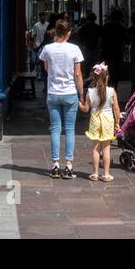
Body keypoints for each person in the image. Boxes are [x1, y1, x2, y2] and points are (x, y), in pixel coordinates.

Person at [39, 17, 84, 179]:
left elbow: (46, 68)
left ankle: (55, 164)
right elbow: (78, 74)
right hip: (70, 93)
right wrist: (82, 94)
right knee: (70, 129)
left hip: (53, 93)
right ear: (69, 33)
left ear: (56, 32)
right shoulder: (74, 49)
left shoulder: (47, 49)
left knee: (55, 129)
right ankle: (69, 165)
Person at [81, 62, 121, 183]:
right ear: (107, 77)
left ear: (94, 77)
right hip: (108, 119)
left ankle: (95, 173)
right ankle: (107, 174)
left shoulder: (90, 92)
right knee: (106, 148)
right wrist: (117, 123)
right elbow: (116, 109)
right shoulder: (112, 92)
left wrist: (80, 104)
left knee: (96, 148)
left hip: (95, 119)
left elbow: (86, 109)